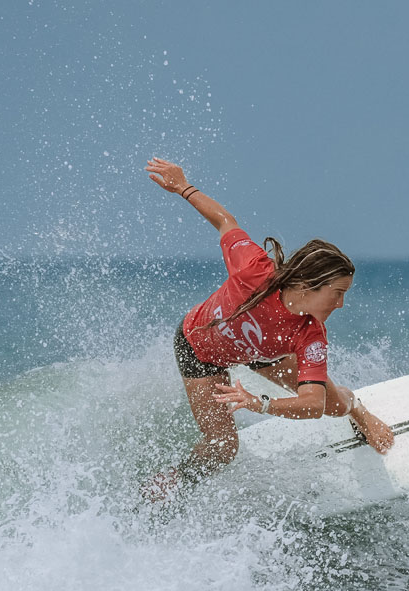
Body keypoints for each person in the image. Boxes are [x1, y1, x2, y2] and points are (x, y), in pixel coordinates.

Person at [144, 157, 395, 499]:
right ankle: (173, 484)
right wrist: (183, 187)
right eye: (337, 293)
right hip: (200, 349)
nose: (340, 304)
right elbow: (225, 221)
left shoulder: (309, 334)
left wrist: (259, 403)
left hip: (265, 353)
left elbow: (313, 404)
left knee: (334, 405)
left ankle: (359, 411)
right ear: (307, 286)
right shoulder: (253, 270)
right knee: (222, 447)